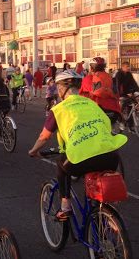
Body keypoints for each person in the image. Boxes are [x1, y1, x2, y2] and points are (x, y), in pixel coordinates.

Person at [28, 70, 127, 221]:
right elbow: (106, 126)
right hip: (111, 155)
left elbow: (44, 137)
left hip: (81, 157)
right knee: (99, 187)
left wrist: (33, 151)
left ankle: (65, 207)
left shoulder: (59, 109)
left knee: (62, 165)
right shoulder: (93, 104)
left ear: (61, 89)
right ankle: (107, 216)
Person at [87, 57, 121, 124]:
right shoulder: (109, 76)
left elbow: (94, 93)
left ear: (91, 68)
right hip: (114, 109)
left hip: (99, 109)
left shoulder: (93, 78)